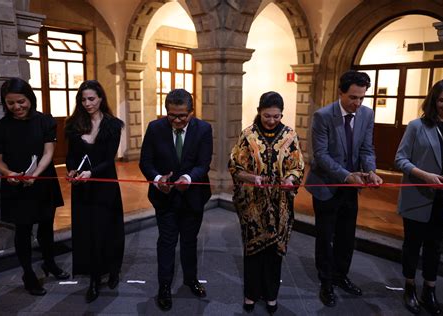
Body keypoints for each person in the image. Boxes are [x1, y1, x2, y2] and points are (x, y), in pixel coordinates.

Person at [305, 70, 383, 307]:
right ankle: (326, 282)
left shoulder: (367, 114)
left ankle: (341, 276)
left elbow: (367, 149)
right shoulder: (323, 116)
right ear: (340, 92)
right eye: (352, 97)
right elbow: (320, 156)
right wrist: (347, 175)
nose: (357, 103)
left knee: (347, 237)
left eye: (361, 98)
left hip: (352, 186)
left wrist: (371, 171)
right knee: (326, 237)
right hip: (327, 185)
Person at [0, 77, 68, 296]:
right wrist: (9, 174)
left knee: (45, 226)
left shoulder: (45, 121)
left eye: (21, 101)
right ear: (5, 103)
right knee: (22, 231)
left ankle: (49, 262)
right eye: (11, 103)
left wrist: (35, 173)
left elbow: (49, 153)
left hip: (42, 180)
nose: (17, 107)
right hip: (16, 184)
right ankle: (27, 273)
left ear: (30, 98)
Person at [228, 91, 304, 314]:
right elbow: (234, 166)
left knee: (274, 251)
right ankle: (251, 294)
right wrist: (253, 178)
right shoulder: (247, 135)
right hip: (252, 203)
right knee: (253, 250)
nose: (272, 120)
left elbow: (297, 166)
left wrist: (291, 179)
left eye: (276, 116)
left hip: (280, 204)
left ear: (282, 114)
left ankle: (271, 294)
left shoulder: (290, 136)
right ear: (259, 112)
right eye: (267, 116)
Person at [139, 89, 212, 311]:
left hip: (193, 197)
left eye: (182, 116)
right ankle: (164, 286)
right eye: (172, 115)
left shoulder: (203, 129)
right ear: (166, 112)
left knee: (190, 241)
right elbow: (145, 162)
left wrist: (188, 178)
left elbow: (203, 164)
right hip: (165, 197)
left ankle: (190, 280)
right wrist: (157, 178)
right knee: (167, 242)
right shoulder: (155, 128)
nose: (178, 120)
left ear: (191, 112)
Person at [395, 79, 443, 315]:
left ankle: (429, 290)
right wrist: (425, 176)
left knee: (435, 247)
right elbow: (400, 160)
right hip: (418, 196)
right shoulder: (416, 126)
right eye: (442, 100)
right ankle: (410, 287)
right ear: (433, 101)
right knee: (412, 245)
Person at [65, 80, 125, 303]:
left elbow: (109, 159)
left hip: (105, 184)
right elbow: (71, 155)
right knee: (86, 231)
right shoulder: (74, 124)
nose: (87, 103)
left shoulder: (113, 125)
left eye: (91, 99)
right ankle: (93, 279)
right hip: (82, 187)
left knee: (107, 229)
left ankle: (113, 270)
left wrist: (91, 173)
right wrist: (72, 170)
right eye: (83, 100)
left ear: (101, 98)